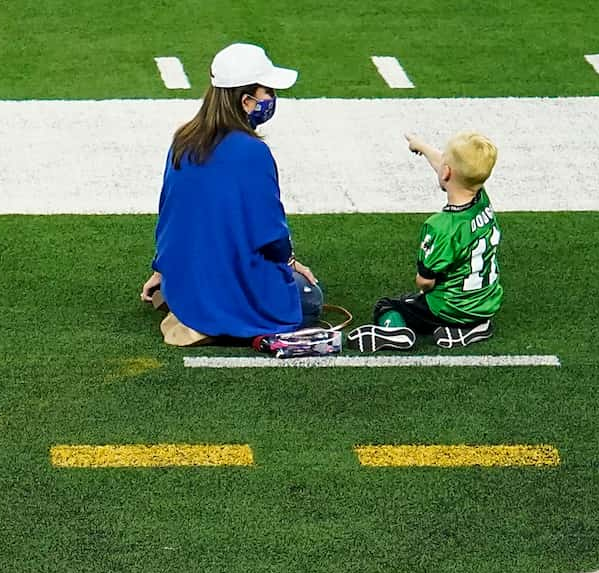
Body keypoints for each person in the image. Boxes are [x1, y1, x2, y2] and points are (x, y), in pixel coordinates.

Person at [141, 43, 340, 357]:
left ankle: (189, 309)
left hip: (183, 279)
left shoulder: (182, 140)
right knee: (310, 297)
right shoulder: (253, 152)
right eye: (268, 91)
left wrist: (162, 271)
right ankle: (222, 318)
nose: (272, 98)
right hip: (232, 287)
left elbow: (169, 215)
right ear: (247, 101)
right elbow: (272, 236)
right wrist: (291, 266)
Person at [349, 133, 504, 351]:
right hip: (486, 301)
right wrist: (422, 147)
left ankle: (395, 332)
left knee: (388, 305)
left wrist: (424, 286)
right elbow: (448, 167)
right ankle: (475, 326)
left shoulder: (441, 226)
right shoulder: (482, 200)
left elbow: (425, 282)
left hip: (450, 307)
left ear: (447, 171)